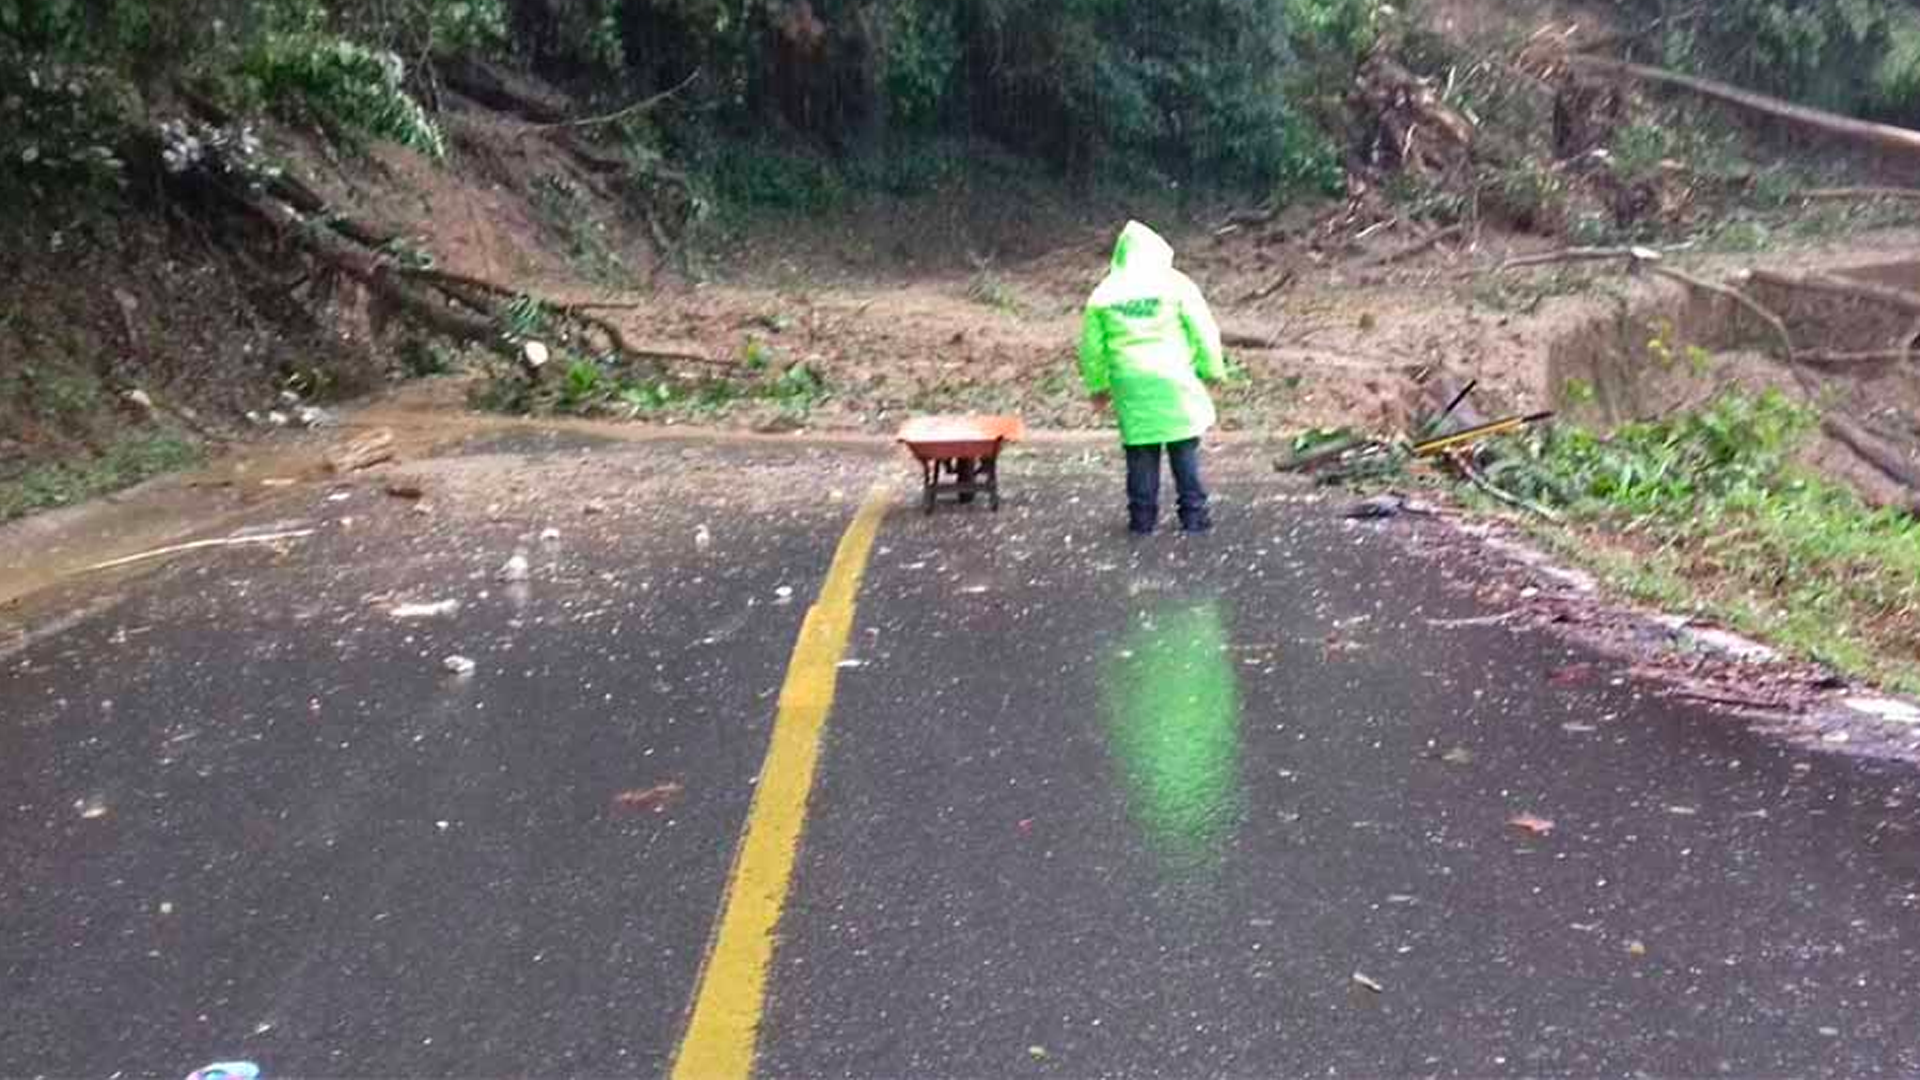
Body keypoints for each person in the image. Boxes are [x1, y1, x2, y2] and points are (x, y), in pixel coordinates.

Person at [1077, 220, 1226, 535]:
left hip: (1130, 382)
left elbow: (1092, 349)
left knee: (1141, 451)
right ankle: (1194, 516)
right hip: (1173, 378)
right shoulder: (1176, 285)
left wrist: (1098, 387)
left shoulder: (1104, 292)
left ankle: (1142, 519)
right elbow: (1203, 329)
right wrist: (1213, 370)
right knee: (1183, 446)